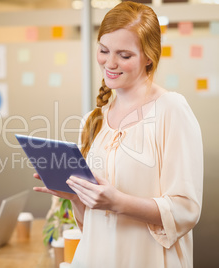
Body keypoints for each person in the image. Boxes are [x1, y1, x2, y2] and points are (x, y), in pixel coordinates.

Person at [34, 1, 203, 267]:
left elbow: (186, 210)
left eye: (124, 55)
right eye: (103, 50)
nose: (110, 63)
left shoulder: (172, 109)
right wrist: (77, 198)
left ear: (149, 56)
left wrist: (118, 202)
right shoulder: (93, 119)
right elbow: (91, 224)